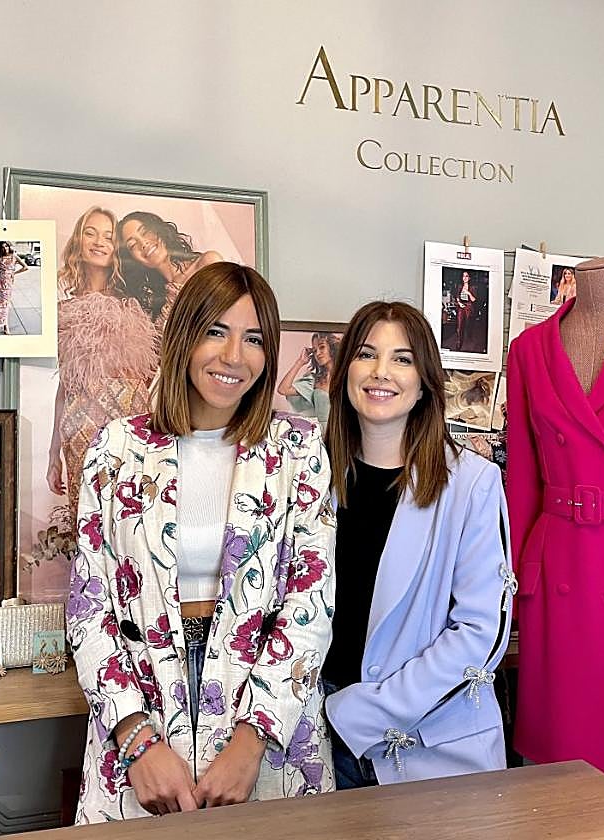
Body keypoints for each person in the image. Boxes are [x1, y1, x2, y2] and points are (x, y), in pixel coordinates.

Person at [67, 262, 336, 823]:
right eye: (216, 330)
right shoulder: (117, 448)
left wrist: (252, 740)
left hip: (264, 702)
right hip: (143, 695)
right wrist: (135, 738)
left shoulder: (299, 450)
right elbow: (88, 608)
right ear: (185, 335)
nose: (233, 355)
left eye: (254, 338)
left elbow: (310, 603)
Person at [320, 301, 513, 789]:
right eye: (366, 354)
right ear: (345, 372)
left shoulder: (472, 484)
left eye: (403, 358)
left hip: (431, 749)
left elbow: (480, 634)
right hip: (317, 740)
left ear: (425, 380)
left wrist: (362, 713)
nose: (381, 372)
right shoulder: (310, 474)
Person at [46, 207, 158, 519]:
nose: (99, 242)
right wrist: (53, 451)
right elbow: (65, 384)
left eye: (108, 236)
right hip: (80, 427)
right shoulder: (62, 311)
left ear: (117, 248)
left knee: (134, 520)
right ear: (78, 242)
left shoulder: (135, 304)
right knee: (88, 524)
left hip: (131, 423)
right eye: (90, 232)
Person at [117, 211, 221, 325]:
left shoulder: (207, 263)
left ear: (159, 230)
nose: (143, 243)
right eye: (132, 245)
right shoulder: (155, 308)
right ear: (133, 260)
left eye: (145, 232)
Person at [276, 332, 341, 430]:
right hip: (321, 434)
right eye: (314, 351)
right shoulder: (314, 380)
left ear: (332, 348)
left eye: (322, 347)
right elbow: (283, 389)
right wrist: (300, 362)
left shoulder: (346, 377)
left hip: (343, 432)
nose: (318, 353)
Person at [0, 241, 29, 335]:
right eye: (3, 247)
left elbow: (25, 267)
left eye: (6, 246)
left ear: (9, 247)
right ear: (0, 248)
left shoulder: (14, 256)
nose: (5, 249)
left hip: (8, 283)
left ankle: (5, 325)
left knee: (5, 305)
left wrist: (14, 273)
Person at [453, 271, 477, 351]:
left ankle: (469, 336)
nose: (465, 278)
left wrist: (469, 293)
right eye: (463, 276)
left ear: (469, 278)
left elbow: (474, 300)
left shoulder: (472, 287)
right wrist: (459, 303)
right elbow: (457, 296)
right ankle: (459, 342)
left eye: (466, 276)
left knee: (468, 324)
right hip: (461, 306)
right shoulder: (460, 286)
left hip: (469, 307)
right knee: (459, 325)